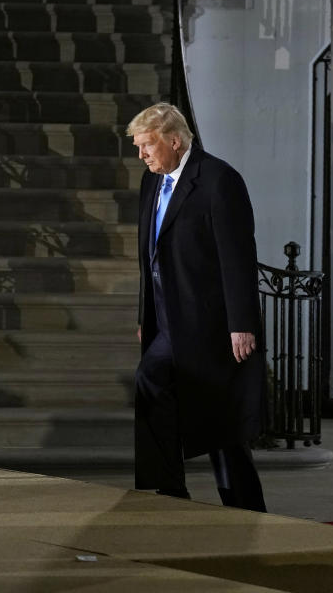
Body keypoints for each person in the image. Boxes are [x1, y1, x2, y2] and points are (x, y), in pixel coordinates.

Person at [128, 103, 266, 512]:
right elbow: (148, 255)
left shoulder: (218, 180)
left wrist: (242, 323)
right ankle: (168, 490)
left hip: (211, 322)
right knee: (151, 382)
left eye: (147, 145)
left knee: (221, 423)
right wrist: (144, 316)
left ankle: (246, 508)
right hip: (169, 320)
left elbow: (238, 256)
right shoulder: (151, 182)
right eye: (138, 147)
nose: (142, 155)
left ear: (174, 141)